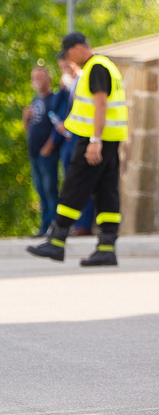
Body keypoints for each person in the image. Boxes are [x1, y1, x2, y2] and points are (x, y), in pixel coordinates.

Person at [27, 32, 128, 266]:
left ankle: (56, 241)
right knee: (106, 191)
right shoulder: (102, 66)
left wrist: (95, 139)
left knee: (74, 185)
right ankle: (106, 248)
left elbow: (101, 103)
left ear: (78, 48)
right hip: (108, 139)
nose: (69, 59)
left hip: (95, 140)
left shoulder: (96, 67)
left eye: (69, 53)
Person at [54, 55, 96, 236]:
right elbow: (57, 108)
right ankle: (74, 222)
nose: (66, 71)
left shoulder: (83, 81)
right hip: (68, 140)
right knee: (70, 183)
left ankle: (84, 224)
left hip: (81, 137)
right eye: (63, 68)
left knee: (83, 181)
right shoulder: (67, 87)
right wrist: (61, 89)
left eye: (68, 66)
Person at [23, 67, 62, 237]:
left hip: (47, 154)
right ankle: (44, 226)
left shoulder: (53, 100)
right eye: (34, 77)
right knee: (40, 191)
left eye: (40, 76)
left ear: (49, 79)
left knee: (50, 189)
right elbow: (28, 129)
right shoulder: (34, 100)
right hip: (34, 154)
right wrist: (25, 117)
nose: (37, 80)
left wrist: (50, 146)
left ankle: (55, 226)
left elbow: (58, 125)